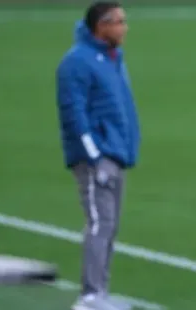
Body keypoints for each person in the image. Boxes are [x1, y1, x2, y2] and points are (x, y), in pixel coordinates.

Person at [55, 2, 140, 309]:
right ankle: (90, 295)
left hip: (116, 154)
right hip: (97, 158)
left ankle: (100, 292)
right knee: (98, 223)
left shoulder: (112, 59)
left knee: (110, 224)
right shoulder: (77, 62)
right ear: (101, 26)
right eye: (119, 22)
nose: (124, 27)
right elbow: (73, 114)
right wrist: (93, 157)